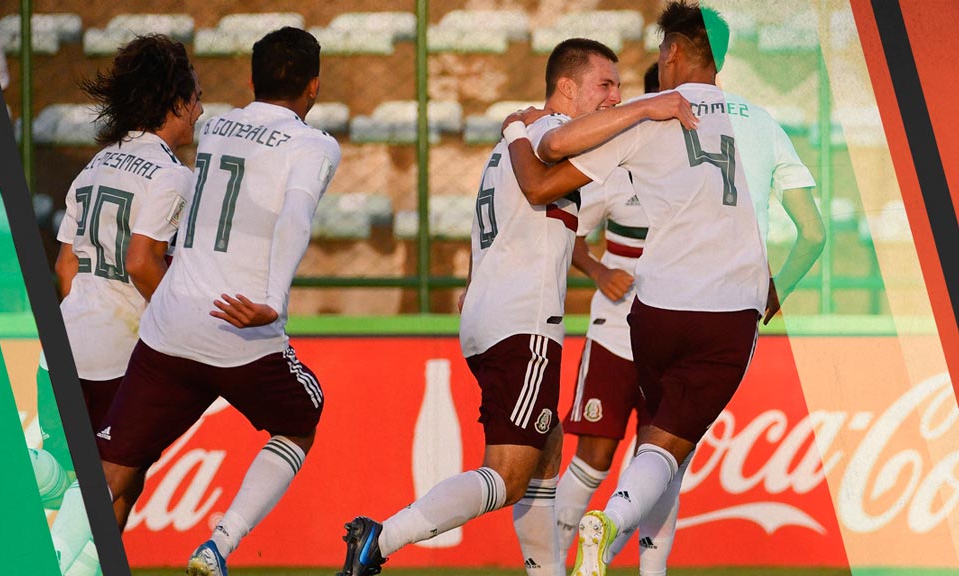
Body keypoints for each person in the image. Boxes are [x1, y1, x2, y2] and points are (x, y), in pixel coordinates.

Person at [337, 39, 695, 576]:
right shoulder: (550, 138)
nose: (615, 96)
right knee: (508, 475)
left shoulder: (518, 139)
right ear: (566, 88)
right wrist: (643, 108)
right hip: (524, 323)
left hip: (489, 317)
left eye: (621, 86)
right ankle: (382, 537)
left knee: (545, 461)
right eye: (606, 84)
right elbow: (537, 187)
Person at [503, 3, 825, 575]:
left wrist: (523, 130)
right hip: (727, 314)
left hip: (651, 313)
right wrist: (778, 290)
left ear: (672, 52)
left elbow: (551, 165)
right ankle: (613, 523)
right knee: (665, 451)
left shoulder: (643, 120)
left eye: (658, 53)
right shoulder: (765, 123)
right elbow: (815, 233)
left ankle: (592, 555)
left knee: (655, 446)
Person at [93, 27, 340, 576]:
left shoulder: (216, 126)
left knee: (110, 473)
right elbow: (296, 217)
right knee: (303, 417)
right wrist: (273, 301)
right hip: (240, 329)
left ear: (251, 80)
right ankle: (219, 544)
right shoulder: (314, 144)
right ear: (315, 86)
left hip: (169, 325)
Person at [44, 34, 202, 576]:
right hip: (119, 360)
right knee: (113, 491)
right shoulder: (172, 175)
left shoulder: (93, 168)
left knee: (76, 490)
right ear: (175, 103)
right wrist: (182, 322)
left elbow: (66, 268)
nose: (201, 111)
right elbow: (141, 262)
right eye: (196, 98)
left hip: (64, 349)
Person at [553, 62, 681, 575]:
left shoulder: (706, 164)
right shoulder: (617, 160)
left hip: (674, 338)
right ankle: (550, 567)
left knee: (661, 469)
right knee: (592, 462)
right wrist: (601, 271)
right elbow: (570, 234)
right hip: (616, 334)